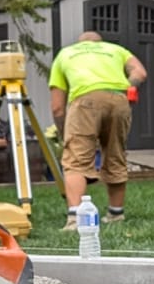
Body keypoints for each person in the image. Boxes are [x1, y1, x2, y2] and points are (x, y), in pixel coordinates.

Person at [48, 30, 146, 229]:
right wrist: (127, 87)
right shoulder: (116, 50)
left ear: (80, 43)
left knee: (76, 159)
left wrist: (63, 132)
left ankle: (75, 218)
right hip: (119, 99)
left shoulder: (65, 54)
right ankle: (116, 214)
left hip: (85, 100)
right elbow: (140, 73)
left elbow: (57, 106)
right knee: (116, 155)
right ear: (100, 43)